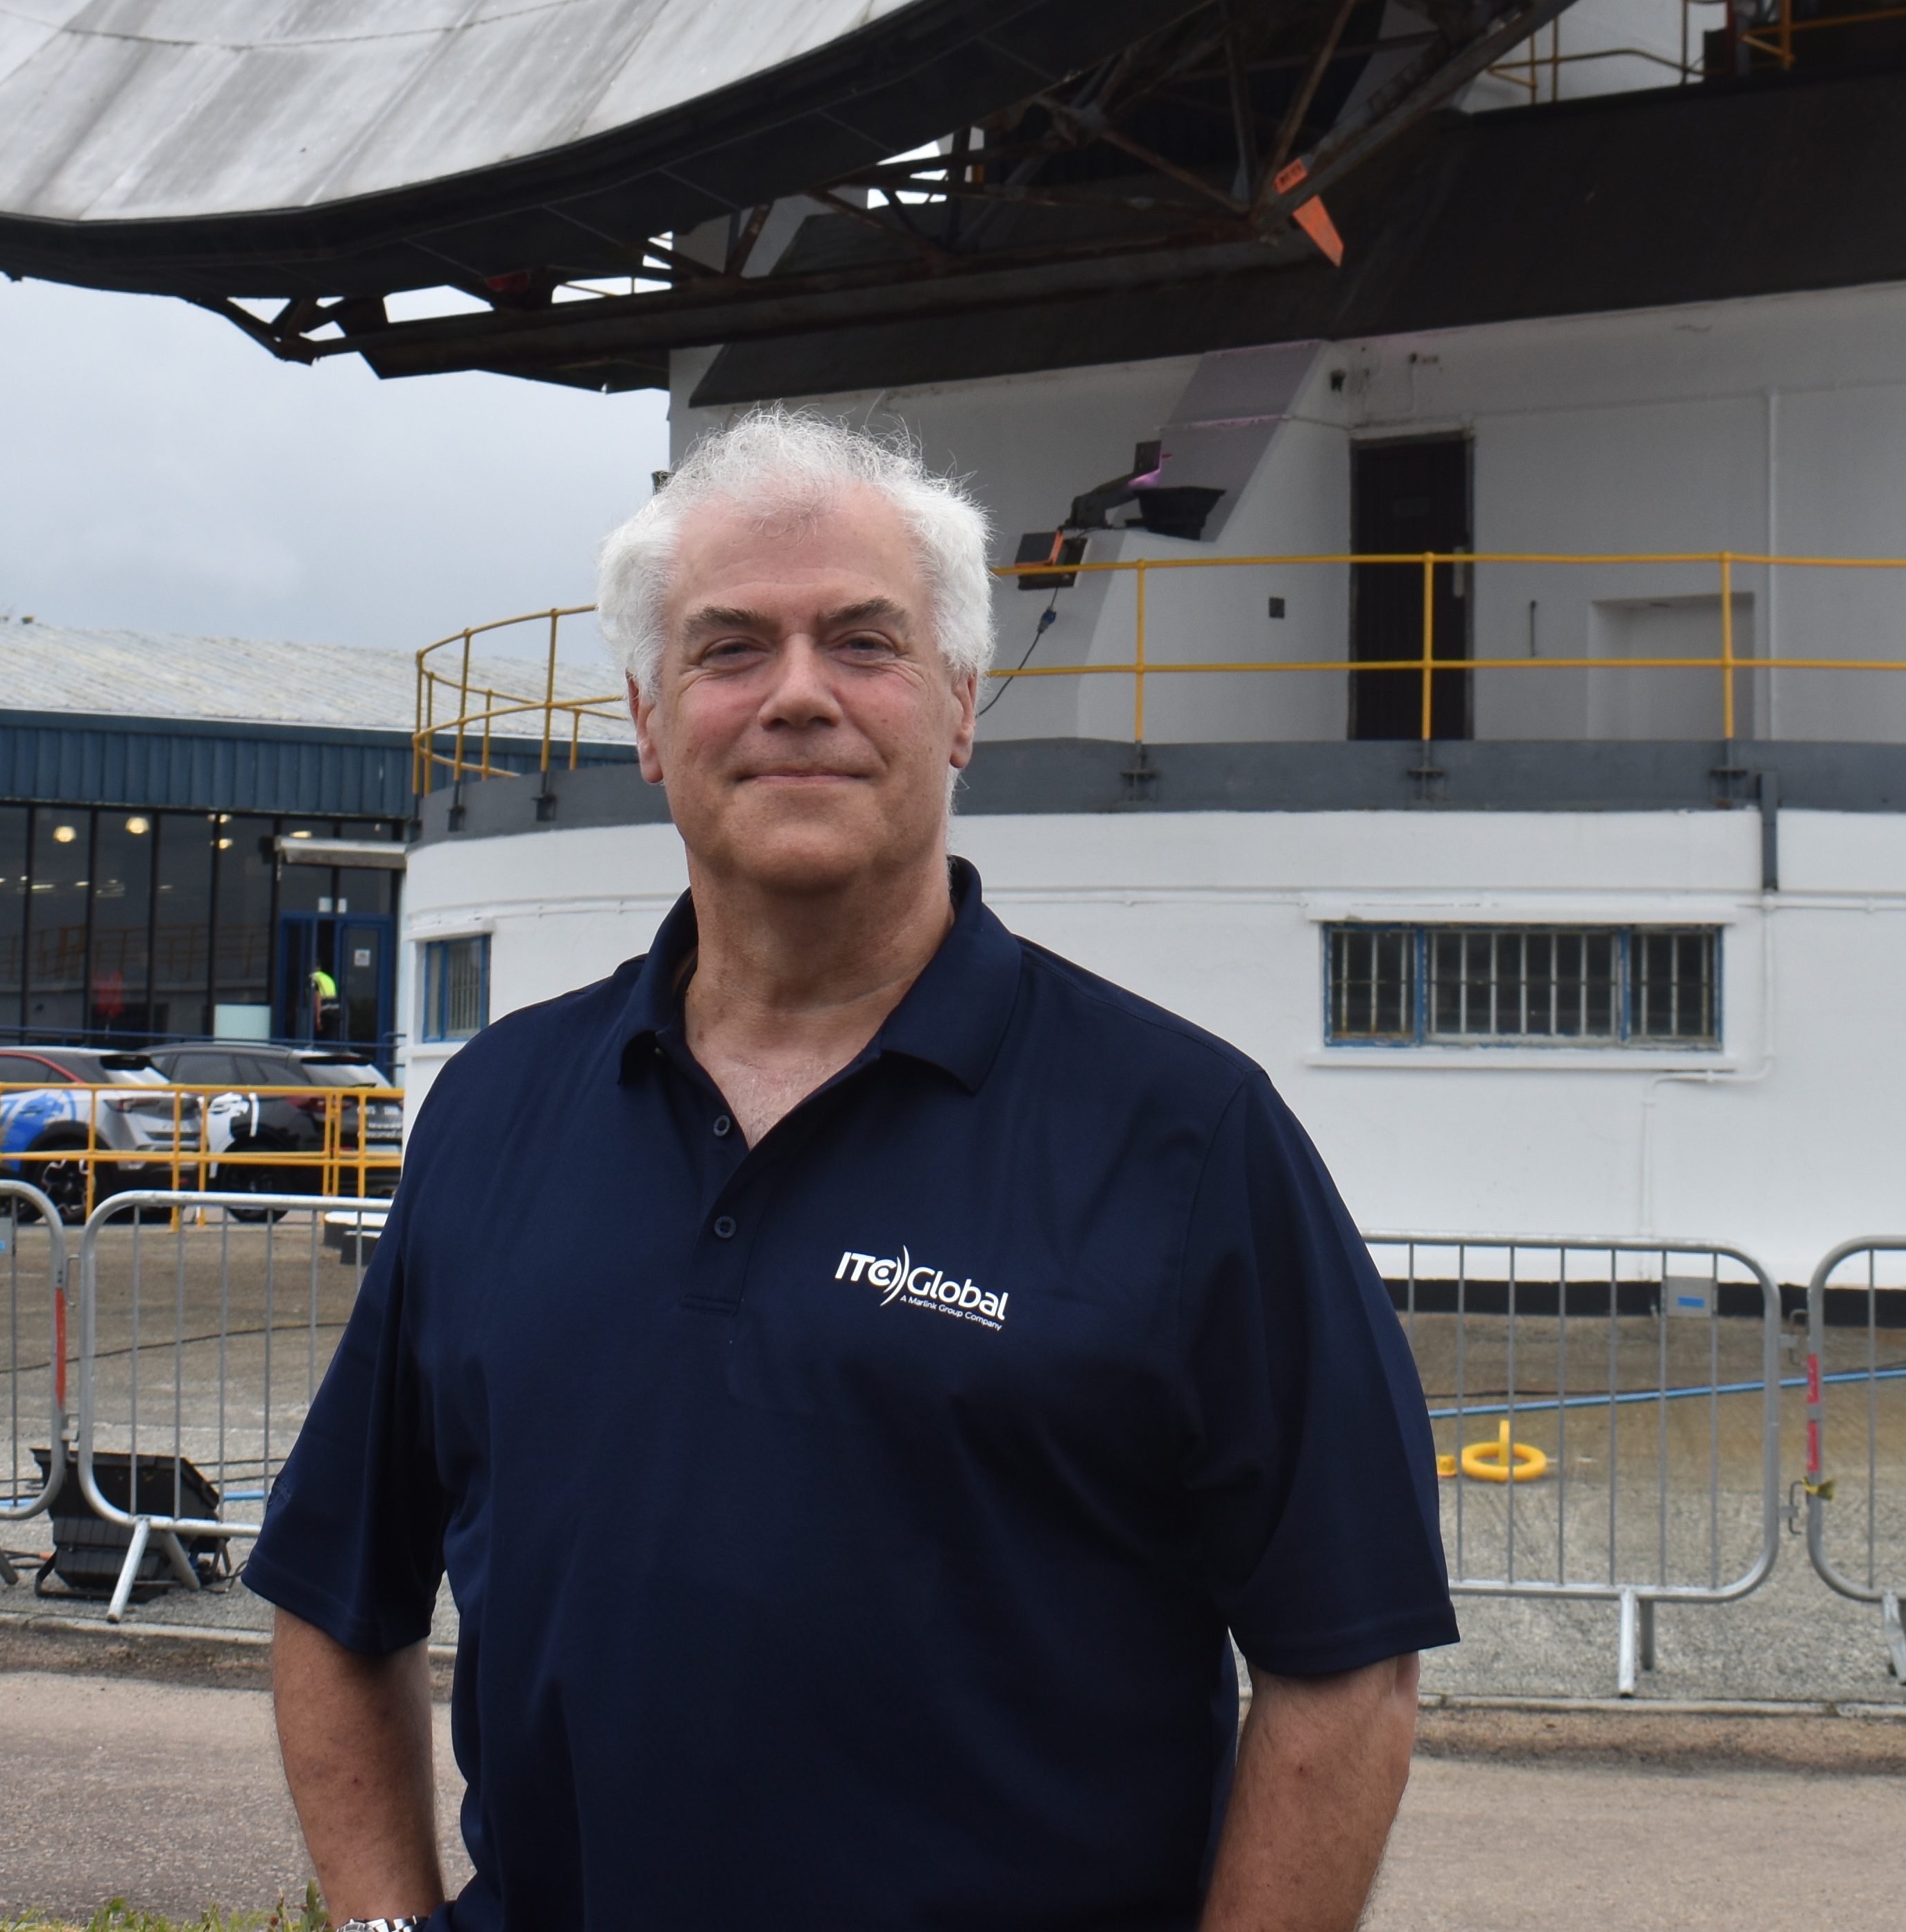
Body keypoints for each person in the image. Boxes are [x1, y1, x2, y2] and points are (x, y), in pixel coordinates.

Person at [247, 411, 1452, 1932]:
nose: (799, 692)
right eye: (731, 647)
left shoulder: (1189, 1138)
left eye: (864, 642)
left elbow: (1347, 1664)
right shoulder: (496, 1109)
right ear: (649, 718)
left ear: (959, 705)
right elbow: (335, 1591)